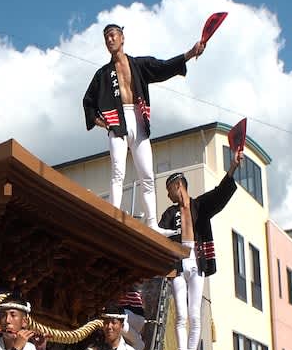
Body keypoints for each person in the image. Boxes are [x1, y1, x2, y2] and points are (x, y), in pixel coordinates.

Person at [83, 23, 206, 227]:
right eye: (106, 37)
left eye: (112, 35)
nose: (109, 40)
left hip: (138, 120)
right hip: (117, 123)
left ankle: (152, 224)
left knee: (147, 175)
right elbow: (88, 102)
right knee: (117, 172)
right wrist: (101, 123)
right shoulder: (103, 74)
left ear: (122, 38)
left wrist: (190, 53)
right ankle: (113, 215)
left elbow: (163, 67)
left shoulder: (138, 65)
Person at [158, 149, 243, 350]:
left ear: (178, 186)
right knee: (181, 314)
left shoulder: (200, 206)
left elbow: (220, 193)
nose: (168, 196)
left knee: (195, 314)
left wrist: (232, 167)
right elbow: (160, 236)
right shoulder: (169, 213)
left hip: (197, 260)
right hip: (178, 263)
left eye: (169, 190)